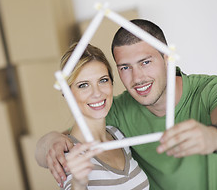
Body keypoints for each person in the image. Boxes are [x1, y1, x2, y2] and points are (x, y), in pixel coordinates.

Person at [35, 19, 217, 190]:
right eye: (125, 67)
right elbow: (69, 140)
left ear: (167, 58)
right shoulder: (117, 111)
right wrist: (51, 140)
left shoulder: (209, 89)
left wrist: (216, 137)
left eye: (145, 62)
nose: (138, 78)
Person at [57, 42, 149, 189]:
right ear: (66, 93)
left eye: (103, 80)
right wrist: (79, 182)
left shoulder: (117, 134)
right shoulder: (69, 153)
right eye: (83, 85)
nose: (97, 93)